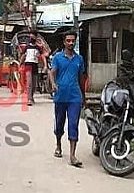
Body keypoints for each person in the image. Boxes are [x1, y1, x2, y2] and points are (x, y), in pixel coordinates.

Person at [50, 30, 86, 168]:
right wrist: (53, 84)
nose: (71, 43)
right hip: (60, 96)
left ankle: (72, 155)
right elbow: (52, 72)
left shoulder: (79, 59)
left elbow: (81, 79)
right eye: (68, 41)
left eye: (73, 41)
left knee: (73, 124)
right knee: (59, 123)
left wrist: (84, 97)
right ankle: (58, 144)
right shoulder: (57, 58)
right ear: (64, 42)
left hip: (75, 97)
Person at [21, 34, 42, 106]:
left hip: (35, 65)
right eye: (30, 37)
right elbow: (23, 56)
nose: (31, 38)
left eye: (33, 37)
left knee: (34, 84)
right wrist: (21, 63)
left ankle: (31, 96)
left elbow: (41, 56)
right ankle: (29, 99)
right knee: (29, 82)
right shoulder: (27, 47)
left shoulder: (38, 48)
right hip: (28, 65)